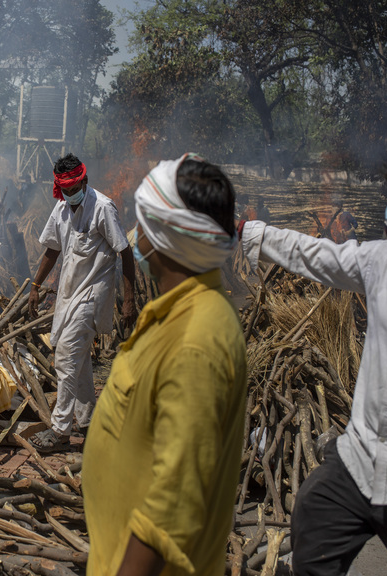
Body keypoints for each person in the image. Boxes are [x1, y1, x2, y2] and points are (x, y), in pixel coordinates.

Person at [240, 147, 387, 574]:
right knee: (313, 520)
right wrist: (249, 232)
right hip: (360, 461)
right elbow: (314, 255)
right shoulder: (384, 262)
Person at [83, 154, 247, 576]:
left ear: (160, 237)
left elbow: (173, 506)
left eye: (142, 222)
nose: (135, 235)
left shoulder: (197, 340)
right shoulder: (176, 314)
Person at [27, 153, 136, 453]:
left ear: (85, 182)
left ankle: (60, 430)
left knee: (65, 358)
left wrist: (129, 301)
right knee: (80, 361)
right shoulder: (61, 207)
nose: (71, 195)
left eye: (75, 188)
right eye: (66, 189)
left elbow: (125, 252)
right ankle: (89, 423)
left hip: (92, 295)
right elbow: (52, 249)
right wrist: (35, 287)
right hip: (68, 294)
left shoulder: (102, 208)